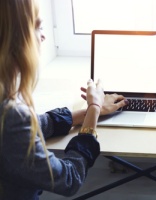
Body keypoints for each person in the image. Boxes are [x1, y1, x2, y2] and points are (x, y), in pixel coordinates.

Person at [0, 0, 128, 199]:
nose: (43, 36)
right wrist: (93, 108)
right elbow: (69, 178)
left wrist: (87, 113)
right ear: (14, 36)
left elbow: (34, 126)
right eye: (37, 26)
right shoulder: (10, 113)